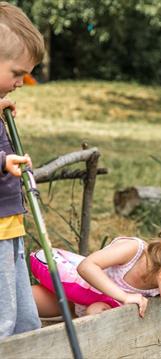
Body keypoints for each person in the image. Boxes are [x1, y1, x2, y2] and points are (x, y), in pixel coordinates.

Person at [32, 222, 161, 318]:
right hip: (73, 281)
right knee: (23, 304)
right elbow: (87, 266)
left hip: (88, 304)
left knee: (98, 312)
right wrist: (124, 297)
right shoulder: (134, 251)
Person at [0, 2, 45, 338]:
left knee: (26, 320)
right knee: (2, 319)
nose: (21, 82)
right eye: (17, 73)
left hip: (10, 225)